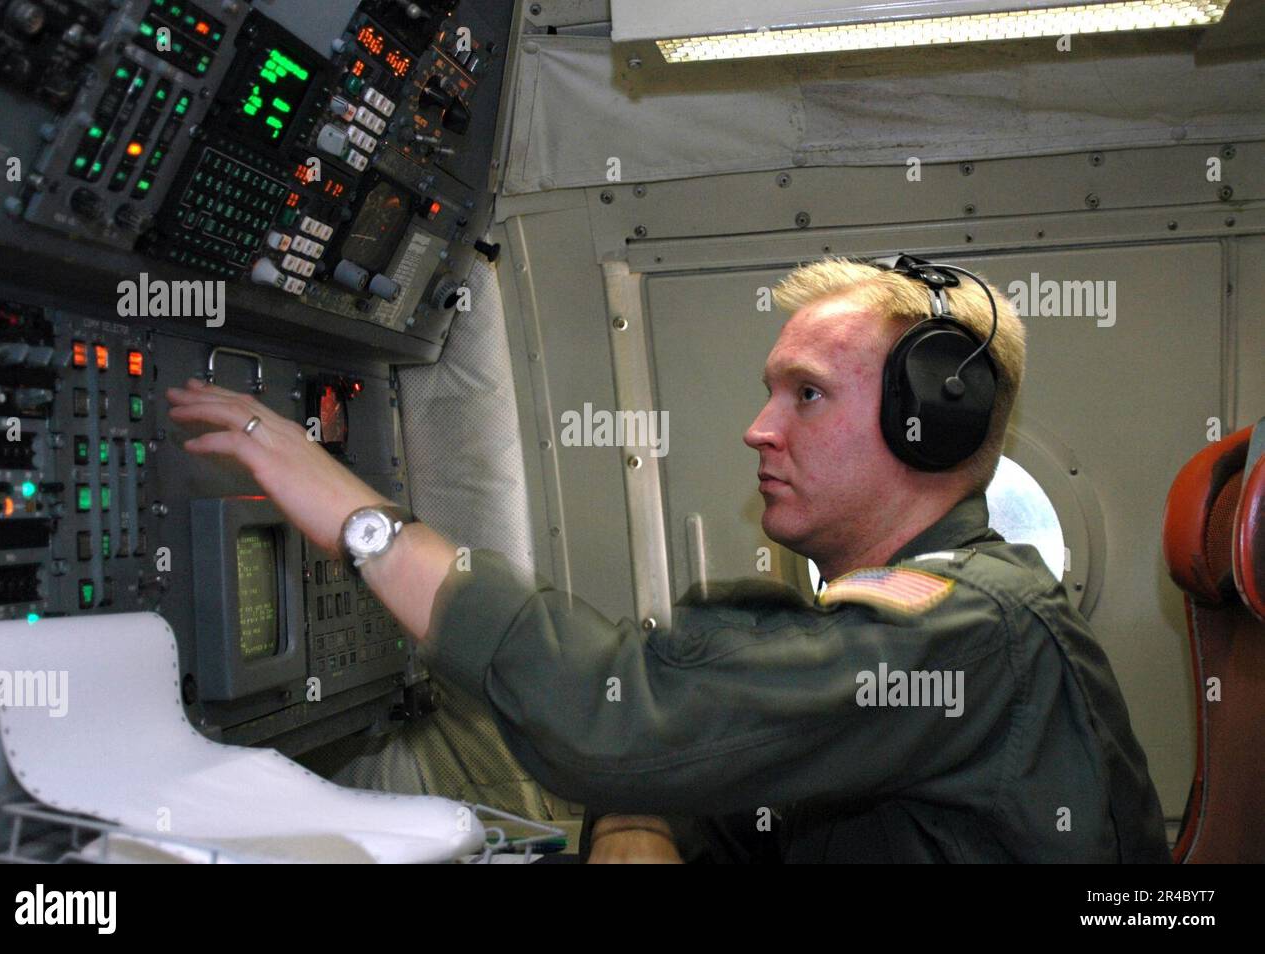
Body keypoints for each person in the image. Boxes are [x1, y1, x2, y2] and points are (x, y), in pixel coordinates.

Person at [165, 255, 1170, 863]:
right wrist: (637, 821)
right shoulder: (886, 617)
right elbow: (697, 759)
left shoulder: (968, 628)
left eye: (806, 395)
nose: (757, 430)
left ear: (928, 428)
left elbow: (619, 721)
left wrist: (359, 517)